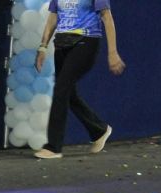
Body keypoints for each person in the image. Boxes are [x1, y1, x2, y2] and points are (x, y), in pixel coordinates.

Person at [33, 0, 125, 159]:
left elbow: (107, 17)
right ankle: (99, 130)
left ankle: (53, 147)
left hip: (85, 41)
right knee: (69, 94)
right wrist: (43, 46)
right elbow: (53, 18)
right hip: (62, 44)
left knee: (61, 89)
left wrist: (112, 52)